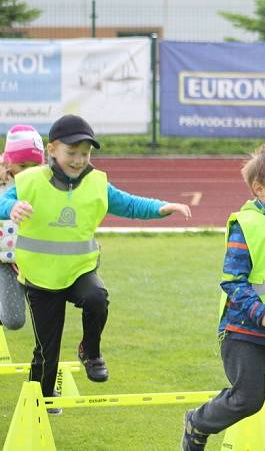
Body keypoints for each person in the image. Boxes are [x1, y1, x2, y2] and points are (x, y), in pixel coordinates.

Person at [0, 114, 191, 404]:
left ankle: (90, 351)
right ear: (52, 150)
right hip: (41, 277)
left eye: (85, 154)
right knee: (46, 349)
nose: (79, 160)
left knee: (97, 297)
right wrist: (12, 206)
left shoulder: (96, 183)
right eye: (71, 153)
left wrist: (161, 207)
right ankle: (40, 401)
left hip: (79, 270)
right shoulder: (29, 182)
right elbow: (2, 201)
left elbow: (128, 204)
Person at [181, 143, 265, 451]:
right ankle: (197, 422)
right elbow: (232, 281)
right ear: (258, 188)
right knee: (248, 399)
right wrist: (260, 310)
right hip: (244, 331)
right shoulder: (247, 226)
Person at [0, 125, 45, 330]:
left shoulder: (44, 182)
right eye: (23, 166)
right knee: (14, 320)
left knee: (46, 316)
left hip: (34, 259)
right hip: (5, 261)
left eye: (35, 165)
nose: (30, 172)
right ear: (9, 161)